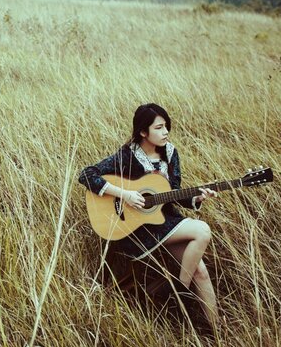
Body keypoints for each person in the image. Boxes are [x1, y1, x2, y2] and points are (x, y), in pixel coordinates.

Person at [78, 103, 219, 326]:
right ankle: (178, 293)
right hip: (137, 228)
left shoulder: (171, 153)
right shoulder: (128, 155)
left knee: (200, 271)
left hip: (166, 222)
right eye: (159, 128)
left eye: (167, 127)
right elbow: (87, 175)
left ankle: (216, 329)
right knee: (202, 230)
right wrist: (124, 194)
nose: (165, 133)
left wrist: (196, 198)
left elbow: (172, 193)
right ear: (143, 132)